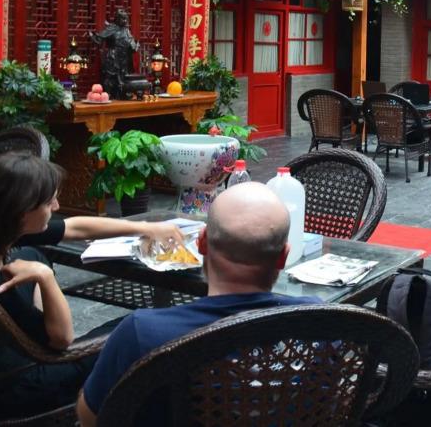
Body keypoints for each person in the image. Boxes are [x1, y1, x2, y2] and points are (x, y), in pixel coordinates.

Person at [0, 152, 186, 420]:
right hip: (16, 387)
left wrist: (145, 228)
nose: (57, 206)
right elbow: (63, 339)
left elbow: (75, 228)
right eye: (49, 202)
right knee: (139, 331)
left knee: (32, 254)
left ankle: (43, 335)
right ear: (22, 211)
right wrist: (45, 277)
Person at [77, 181, 318, 426]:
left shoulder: (143, 333)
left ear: (202, 243)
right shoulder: (319, 323)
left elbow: (90, 418)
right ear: (283, 256)